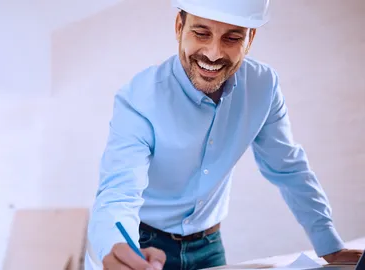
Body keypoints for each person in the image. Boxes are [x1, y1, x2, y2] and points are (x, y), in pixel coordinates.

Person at [85, 0, 364, 269]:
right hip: (144, 245)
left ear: (250, 38)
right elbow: (118, 194)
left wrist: (329, 243)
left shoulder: (262, 86)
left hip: (208, 246)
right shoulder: (139, 98)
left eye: (232, 38)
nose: (214, 53)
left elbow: (288, 167)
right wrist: (119, 250)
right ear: (179, 27)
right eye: (201, 33)